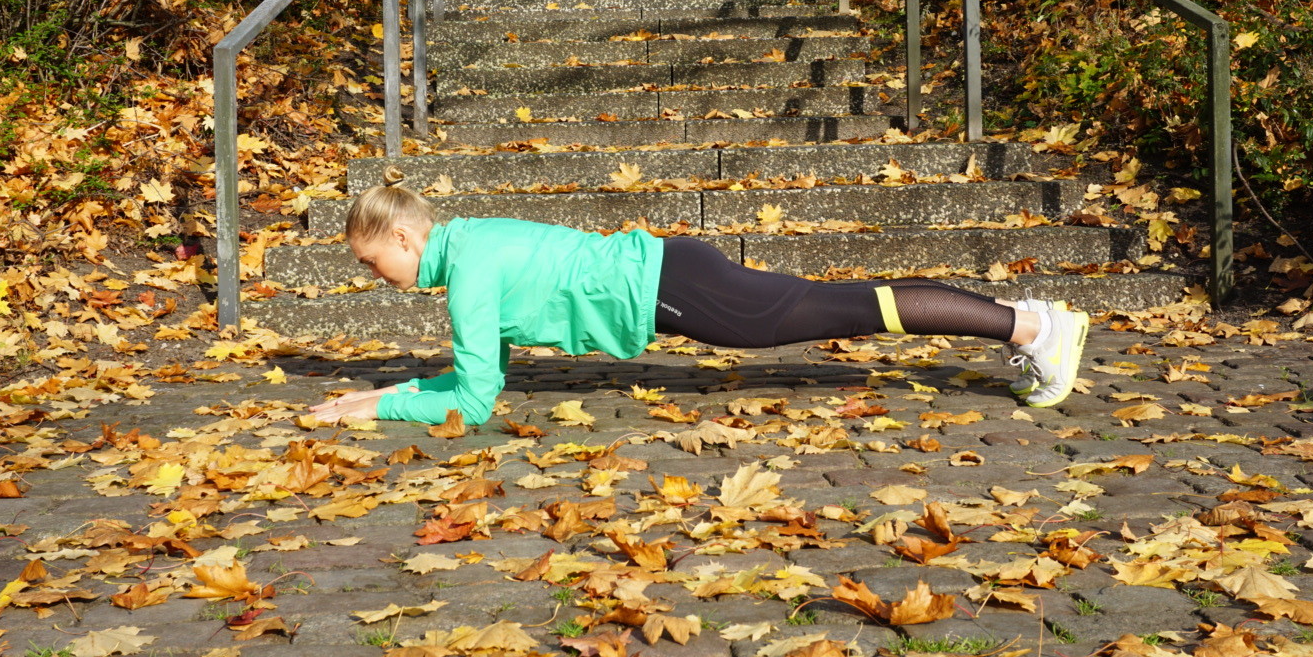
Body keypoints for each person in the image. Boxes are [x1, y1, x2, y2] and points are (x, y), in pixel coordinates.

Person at [308, 172, 1089, 426]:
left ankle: (1028, 324)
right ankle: (1025, 322)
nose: (381, 279)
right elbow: (485, 365)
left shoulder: (468, 271)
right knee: (842, 301)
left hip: (674, 289)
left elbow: (477, 399)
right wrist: (397, 388)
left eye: (378, 265)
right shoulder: (469, 240)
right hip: (674, 272)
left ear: (407, 240)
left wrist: (371, 409)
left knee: (845, 307)